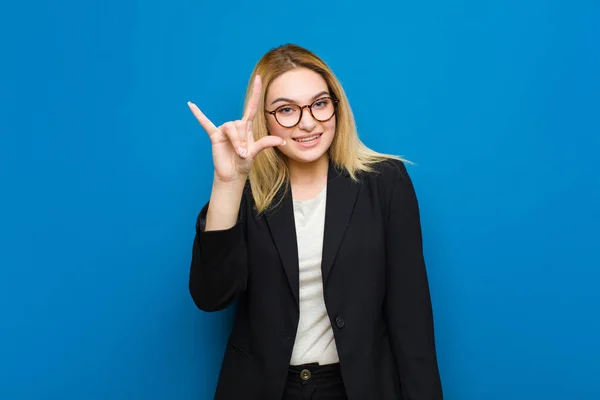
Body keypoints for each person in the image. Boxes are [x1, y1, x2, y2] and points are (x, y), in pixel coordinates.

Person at [187, 43, 443, 400]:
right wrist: (227, 184)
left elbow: (411, 319)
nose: (308, 122)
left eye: (320, 104)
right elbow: (211, 297)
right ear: (265, 118)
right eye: (286, 110)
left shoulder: (385, 183)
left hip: (358, 388)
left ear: (336, 106)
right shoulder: (243, 195)